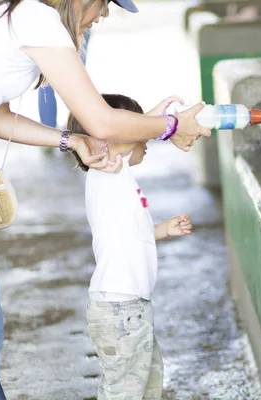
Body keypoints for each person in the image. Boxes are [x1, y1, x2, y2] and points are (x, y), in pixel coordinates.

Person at [0, 0, 211, 397]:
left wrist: (70, 139)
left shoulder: (21, 21)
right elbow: (104, 123)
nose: (106, 14)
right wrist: (171, 125)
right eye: (104, 2)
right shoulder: (35, 17)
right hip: (120, 309)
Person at [67, 94, 192, 399]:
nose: (143, 137)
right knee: (123, 390)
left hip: (131, 306)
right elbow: (116, 138)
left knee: (147, 383)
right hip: (120, 309)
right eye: (133, 125)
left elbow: (132, 231)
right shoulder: (106, 167)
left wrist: (163, 230)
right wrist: (160, 123)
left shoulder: (120, 177)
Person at [38, 28, 91, 128]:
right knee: (77, 76)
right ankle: (77, 127)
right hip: (77, 22)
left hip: (51, 25)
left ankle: (48, 127)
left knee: (46, 77)